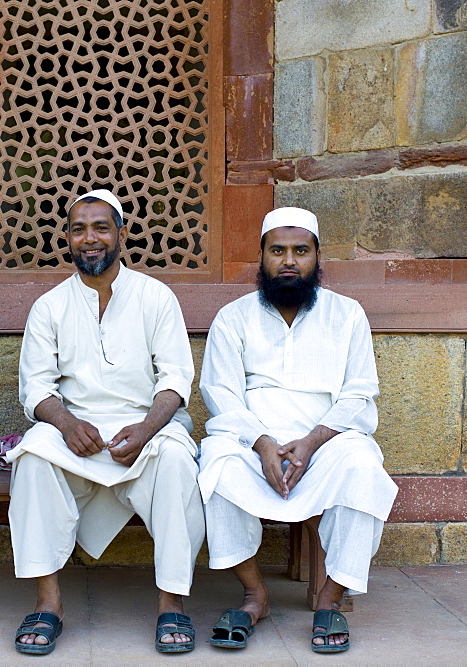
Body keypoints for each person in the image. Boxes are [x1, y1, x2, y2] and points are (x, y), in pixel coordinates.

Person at [7, 189, 204, 655]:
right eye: (78, 229)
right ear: (68, 239)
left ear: (121, 233)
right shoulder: (49, 306)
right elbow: (34, 386)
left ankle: (171, 602)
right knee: (32, 460)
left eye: (100, 227)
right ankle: (47, 604)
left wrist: (148, 428)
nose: (89, 238)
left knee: (177, 461)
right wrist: (65, 422)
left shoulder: (156, 297)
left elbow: (176, 377)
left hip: (147, 429)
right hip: (76, 433)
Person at [197, 207, 397, 654]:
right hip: (252, 443)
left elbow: (360, 392)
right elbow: (220, 392)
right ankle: (254, 595)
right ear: (262, 257)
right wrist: (263, 443)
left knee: (363, 468)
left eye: (300, 251)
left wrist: (310, 442)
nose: (289, 261)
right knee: (217, 467)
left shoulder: (347, 315)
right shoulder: (233, 317)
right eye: (278, 251)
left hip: (327, 442)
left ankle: (330, 598)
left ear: (317, 257)